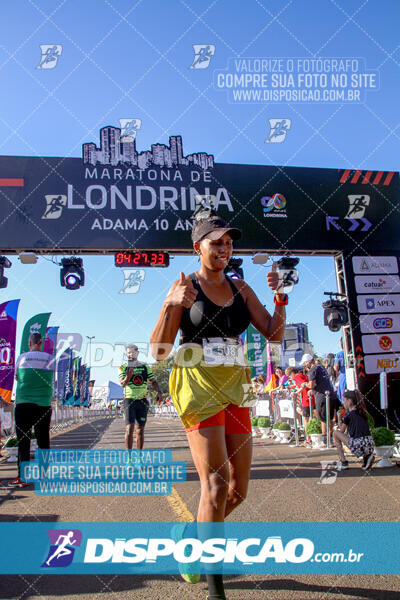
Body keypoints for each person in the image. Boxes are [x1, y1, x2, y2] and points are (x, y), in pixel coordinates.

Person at [150, 211, 286, 600]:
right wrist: (168, 304)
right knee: (215, 484)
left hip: (236, 382)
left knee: (238, 491)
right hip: (197, 383)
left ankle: (191, 536)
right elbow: (159, 352)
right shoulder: (186, 288)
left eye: (229, 242)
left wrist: (280, 297)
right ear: (198, 247)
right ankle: (215, 590)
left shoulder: (242, 288)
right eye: (216, 241)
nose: (224, 248)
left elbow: (274, 334)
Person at [8, 332, 54, 488]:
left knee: (24, 440)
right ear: (41, 343)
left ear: (30, 343)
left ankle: (23, 477)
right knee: (43, 440)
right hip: (43, 404)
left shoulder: (22, 358)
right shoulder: (49, 359)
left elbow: (17, 378)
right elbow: (51, 380)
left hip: (24, 403)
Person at [118, 344, 163, 450]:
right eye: (128, 352)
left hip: (142, 401)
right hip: (129, 400)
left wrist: (159, 391)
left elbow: (153, 381)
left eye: (133, 352)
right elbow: (122, 384)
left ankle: (139, 458)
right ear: (126, 354)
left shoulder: (144, 366)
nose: (131, 354)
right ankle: (129, 460)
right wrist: (128, 377)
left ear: (137, 353)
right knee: (129, 429)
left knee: (140, 430)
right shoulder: (123, 367)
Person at [333, 389, 375, 471]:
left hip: (358, 445)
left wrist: (339, 417)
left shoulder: (348, 415)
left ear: (350, 401)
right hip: (370, 444)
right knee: (359, 436)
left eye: (344, 400)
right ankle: (367, 458)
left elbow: (341, 431)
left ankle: (343, 461)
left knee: (335, 433)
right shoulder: (363, 412)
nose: (343, 403)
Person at [300, 353, 338, 440]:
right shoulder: (321, 367)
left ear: (308, 362)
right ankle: (331, 439)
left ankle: (325, 439)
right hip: (330, 394)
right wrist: (312, 390)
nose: (304, 366)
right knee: (329, 418)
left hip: (322, 396)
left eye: (304, 364)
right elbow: (320, 382)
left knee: (323, 419)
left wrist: (305, 384)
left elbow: (312, 384)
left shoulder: (312, 370)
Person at [334, 338, 347, 405]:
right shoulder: (353, 352)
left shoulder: (339, 354)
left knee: (342, 397)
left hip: (344, 377)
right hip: (355, 376)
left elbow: (336, 367)